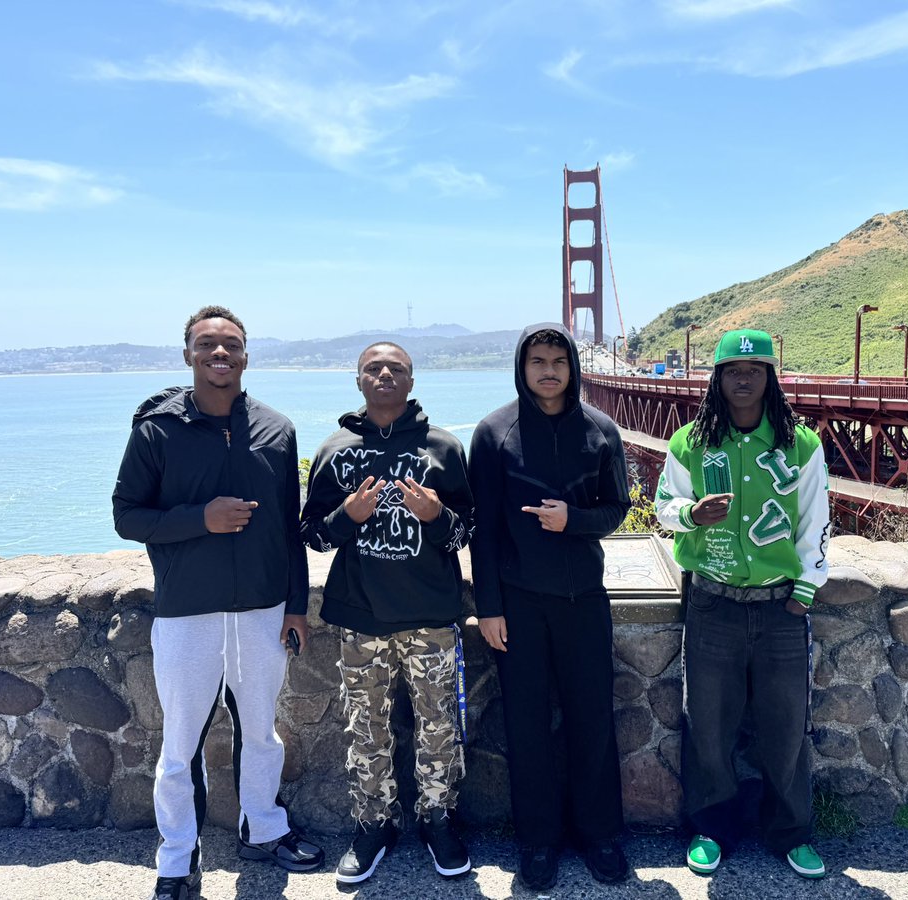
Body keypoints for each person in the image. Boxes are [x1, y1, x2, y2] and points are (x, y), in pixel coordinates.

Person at [112, 306, 322, 900]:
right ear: (188, 355)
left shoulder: (277, 429)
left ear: (247, 355)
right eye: (207, 344)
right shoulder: (156, 430)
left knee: (261, 733)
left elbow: (289, 529)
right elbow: (128, 516)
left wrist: (295, 606)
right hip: (188, 612)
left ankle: (264, 830)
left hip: (262, 610)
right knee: (180, 747)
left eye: (231, 343)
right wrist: (200, 519)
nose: (219, 353)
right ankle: (178, 860)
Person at [654, 328, 830, 880]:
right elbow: (663, 505)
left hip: (781, 609)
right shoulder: (690, 441)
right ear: (718, 379)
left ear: (771, 377)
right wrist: (691, 515)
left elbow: (816, 517)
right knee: (709, 725)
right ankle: (712, 829)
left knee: (787, 728)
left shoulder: (801, 444)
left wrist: (806, 588)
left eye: (755, 370)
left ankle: (791, 833)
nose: (744, 379)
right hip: (713, 605)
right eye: (733, 370)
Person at [300, 341, 474, 885]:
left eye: (395, 368)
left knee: (439, 726)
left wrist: (437, 515)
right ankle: (374, 825)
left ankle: (438, 820)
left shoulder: (444, 447)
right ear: (358, 380)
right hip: (361, 619)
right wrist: (347, 516)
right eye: (372, 368)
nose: (383, 375)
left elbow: (467, 532)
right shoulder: (334, 451)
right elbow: (312, 535)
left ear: (411, 381)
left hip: (431, 617)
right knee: (366, 729)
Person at [469, 323, 632, 891]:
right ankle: (537, 841)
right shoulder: (494, 432)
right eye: (537, 360)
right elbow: (483, 530)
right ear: (522, 366)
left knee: (593, 719)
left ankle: (600, 835)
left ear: (573, 367)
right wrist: (489, 607)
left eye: (559, 361)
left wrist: (573, 520)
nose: (548, 370)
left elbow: (617, 509)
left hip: (584, 599)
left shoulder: (601, 430)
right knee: (526, 723)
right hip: (519, 603)